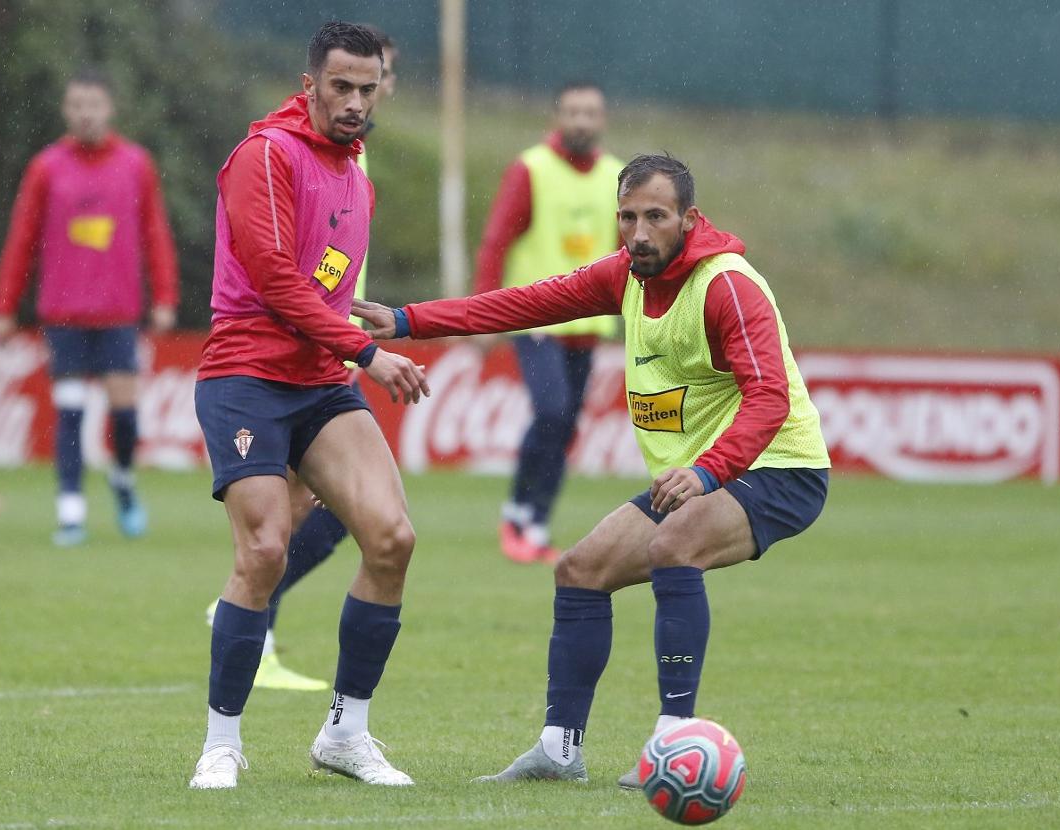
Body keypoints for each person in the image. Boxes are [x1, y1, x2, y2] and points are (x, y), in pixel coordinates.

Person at [352, 154, 830, 787]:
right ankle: (558, 749)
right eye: (628, 217)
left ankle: (674, 742)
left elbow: (769, 395)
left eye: (655, 217)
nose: (638, 232)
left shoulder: (727, 286)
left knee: (674, 545)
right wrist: (411, 321)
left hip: (779, 467)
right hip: (701, 476)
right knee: (579, 571)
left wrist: (710, 473)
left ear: (689, 219)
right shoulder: (626, 276)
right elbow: (527, 304)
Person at [188, 21, 430, 791]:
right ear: (310, 85)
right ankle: (221, 743)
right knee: (264, 550)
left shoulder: (358, 175)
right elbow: (273, 283)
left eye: (369, 88)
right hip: (247, 376)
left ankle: (346, 734)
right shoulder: (264, 155)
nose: (357, 102)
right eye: (342, 87)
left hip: (322, 381)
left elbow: (318, 278)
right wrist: (370, 353)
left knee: (391, 538)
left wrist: (358, 316)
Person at [0, 68, 179, 547]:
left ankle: (123, 478)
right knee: (69, 412)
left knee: (125, 415)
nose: (85, 113)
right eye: (76, 105)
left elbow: (155, 233)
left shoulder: (136, 164)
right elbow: (22, 240)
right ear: (65, 110)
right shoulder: (46, 167)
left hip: (118, 312)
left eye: (93, 104)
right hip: (64, 313)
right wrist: (4, 306)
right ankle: (70, 513)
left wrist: (165, 296)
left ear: (109, 108)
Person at [473, 82, 624, 565]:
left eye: (591, 113)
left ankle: (536, 522)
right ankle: (518, 511)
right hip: (535, 316)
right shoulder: (531, 169)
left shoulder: (617, 175)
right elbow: (496, 241)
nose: (582, 121)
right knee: (553, 410)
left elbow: (629, 250)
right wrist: (482, 313)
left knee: (567, 424)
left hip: (589, 322)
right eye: (574, 112)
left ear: (602, 119)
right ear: (558, 115)